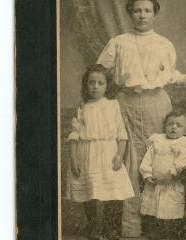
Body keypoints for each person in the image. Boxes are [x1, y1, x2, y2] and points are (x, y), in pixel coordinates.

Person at [96, 0, 186, 237]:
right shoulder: (118, 43)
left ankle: (158, 224)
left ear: (154, 14)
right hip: (125, 104)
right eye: (137, 10)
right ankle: (129, 228)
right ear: (130, 13)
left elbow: (170, 74)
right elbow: (99, 73)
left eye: (147, 10)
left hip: (157, 103)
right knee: (126, 160)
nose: (142, 15)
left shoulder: (164, 44)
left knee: (158, 159)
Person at [67, 64, 135, 240]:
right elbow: (74, 135)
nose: (95, 86)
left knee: (114, 192)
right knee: (90, 192)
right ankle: (93, 228)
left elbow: (122, 134)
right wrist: (74, 158)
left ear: (107, 86)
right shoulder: (83, 107)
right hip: (87, 154)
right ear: (86, 85)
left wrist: (120, 155)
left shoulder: (113, 105)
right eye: (91, 83)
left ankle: (112, 229)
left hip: (109, 154)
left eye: (100, 83)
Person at [139, 111, 186, 239]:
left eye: (179, 125)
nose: (173, 127)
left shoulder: (183, 142)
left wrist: (174, 172)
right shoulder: (158, 140)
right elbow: (147, 159)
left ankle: (170, 233)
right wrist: (147, 174)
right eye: (170, 124)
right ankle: (154, 232)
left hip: (171, 182)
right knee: (153, 208)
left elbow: (183, 161)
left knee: (170, 209)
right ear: (165, 126)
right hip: (155, 183)